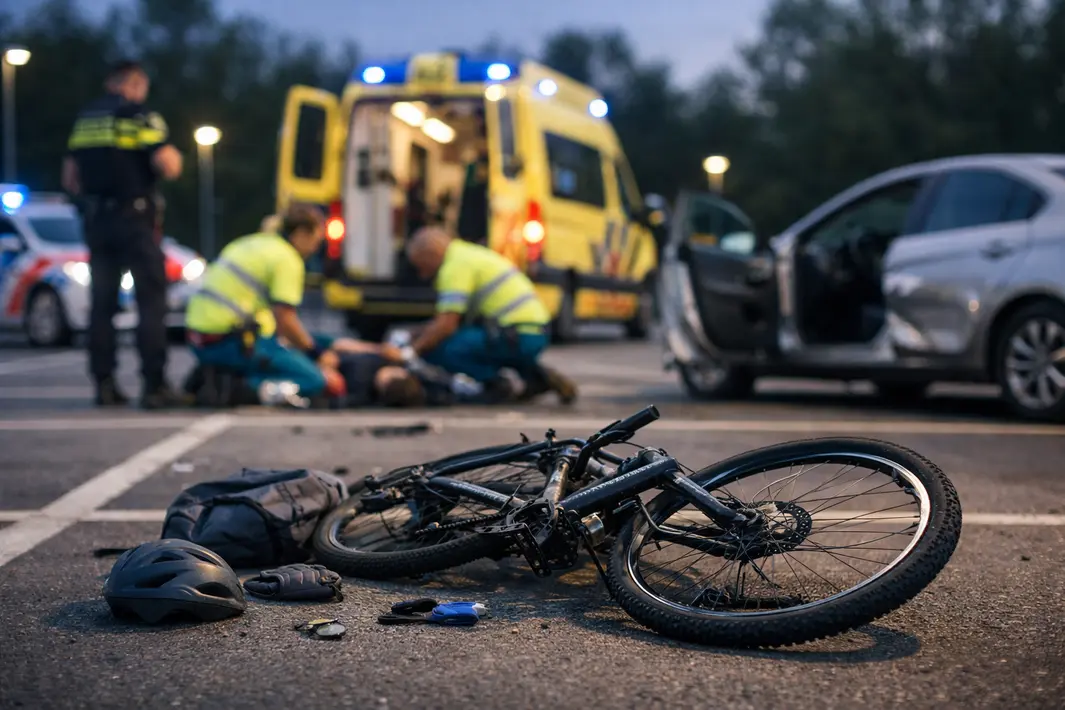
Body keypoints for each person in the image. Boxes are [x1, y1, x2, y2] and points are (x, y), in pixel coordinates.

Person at [62, 59, 184, 408]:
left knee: (102, 305)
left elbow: (70, 178)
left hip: (97, 220)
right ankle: (154, 385)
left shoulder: (85, 119)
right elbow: (168, 165)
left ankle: (104, 383)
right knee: (151, 301)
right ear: (134, 83)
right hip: (135, 219)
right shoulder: (139, 116)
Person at [399, 226, 577, 404]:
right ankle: (534, 376)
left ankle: (495, 384)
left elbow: (446, 325)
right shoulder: (467, 253)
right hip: (535, 331)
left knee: (441, 348)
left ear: (431, 253)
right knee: (476, 339)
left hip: (517, 335)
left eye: (421, 265)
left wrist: (412, 350)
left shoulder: (454, 267)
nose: (422, 275)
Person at [184, 203, 341, 403]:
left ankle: (214, 376)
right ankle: (241, 388)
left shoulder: (254, 242)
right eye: (316, 240)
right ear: (301, 233)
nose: (315, 248)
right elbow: (286, 321)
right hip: (228, 342)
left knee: (293, 346)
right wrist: (316, 355)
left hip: (198, 337)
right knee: (314, 380)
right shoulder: (287, 259)